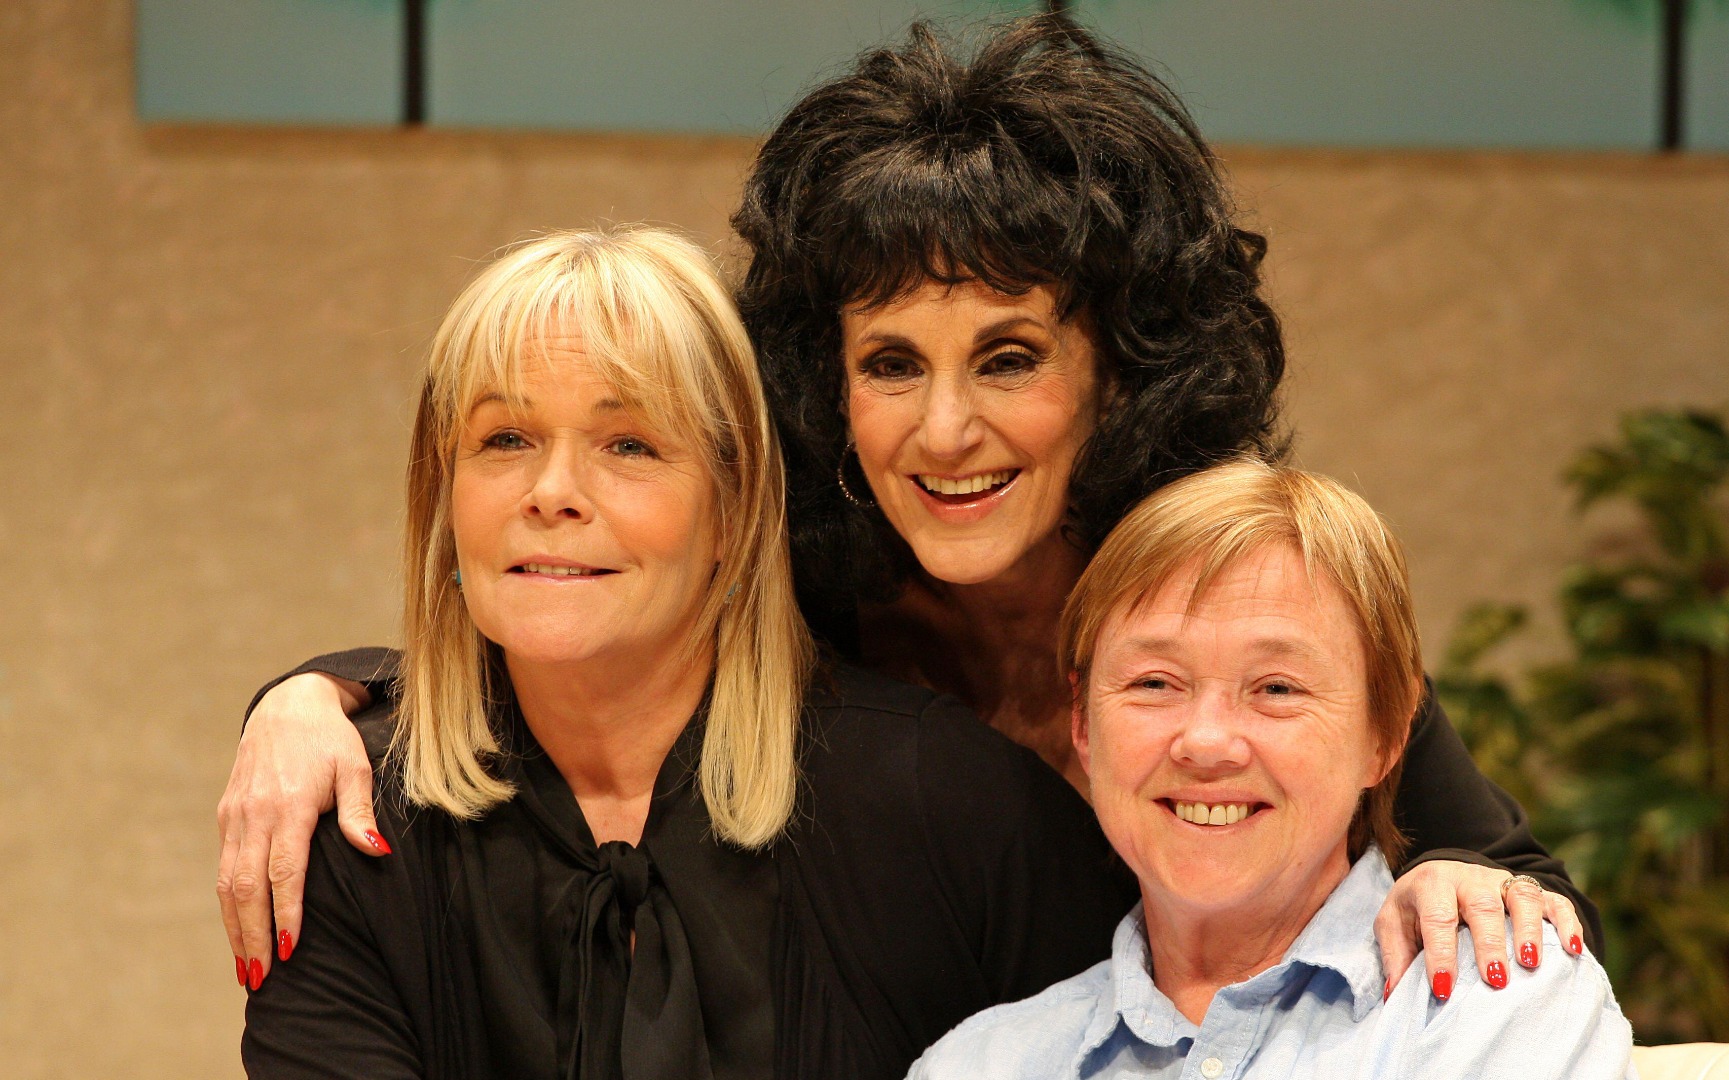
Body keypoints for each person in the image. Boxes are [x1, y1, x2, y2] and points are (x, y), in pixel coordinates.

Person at [218, 17, 1593, 1003]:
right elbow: (570, 623)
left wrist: (1464, 887)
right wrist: (314, 693)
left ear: (1118, 369)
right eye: (891, 364)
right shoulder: (811, 604)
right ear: (825, 380)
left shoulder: (1222, 598)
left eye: (1009, 357)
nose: (945, 431)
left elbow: (1503, 876)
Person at [239, 225, 1135, 1079]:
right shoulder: (351, 820)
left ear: (734, 511)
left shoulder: (955, 805)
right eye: (505, 439)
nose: (552, 493)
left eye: (629, 444)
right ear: (446, 495)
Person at [909, 458, 1636, 1079]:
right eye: (1155, 683)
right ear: (1083, 725)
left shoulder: (1497, 998)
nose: (1206, 741)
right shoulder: (979, 1064)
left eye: (1277, 689)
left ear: (1385, 736)